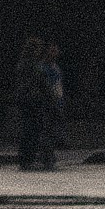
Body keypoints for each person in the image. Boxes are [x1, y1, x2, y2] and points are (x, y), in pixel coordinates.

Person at [13, 36, 49, 170]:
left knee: (28, 129)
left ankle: (26, 158)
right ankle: (28, 158)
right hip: (32, 100)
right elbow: (40, 82)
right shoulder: (32, 64)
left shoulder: (23, 63)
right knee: (32, 129)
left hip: (25, 100)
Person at [35, 40, 67, 169]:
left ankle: (49, 155)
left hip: (57, 101)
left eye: (56, 50)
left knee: (53, 130)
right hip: (48, 102)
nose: (55, 53)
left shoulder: (55, 66)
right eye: (52, 50)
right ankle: (46, 157)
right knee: (47, 130)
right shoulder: (43, 67)